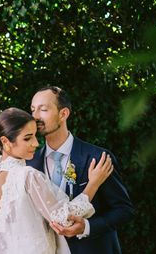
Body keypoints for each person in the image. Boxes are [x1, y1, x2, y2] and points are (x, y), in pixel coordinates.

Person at [0, 107, 116, 254]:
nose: (36, 143)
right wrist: (93, 184)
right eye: (27, 138)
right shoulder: (28, 176)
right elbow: (64, 220)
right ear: (5, 141)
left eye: (35, 136)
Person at [29, 86, 134, 254]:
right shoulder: (29, 163)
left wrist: (87, 227)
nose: (35, 117)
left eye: (43, 109)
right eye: (33, 110)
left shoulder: (97, 157)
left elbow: (123, 210)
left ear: (63, 114)